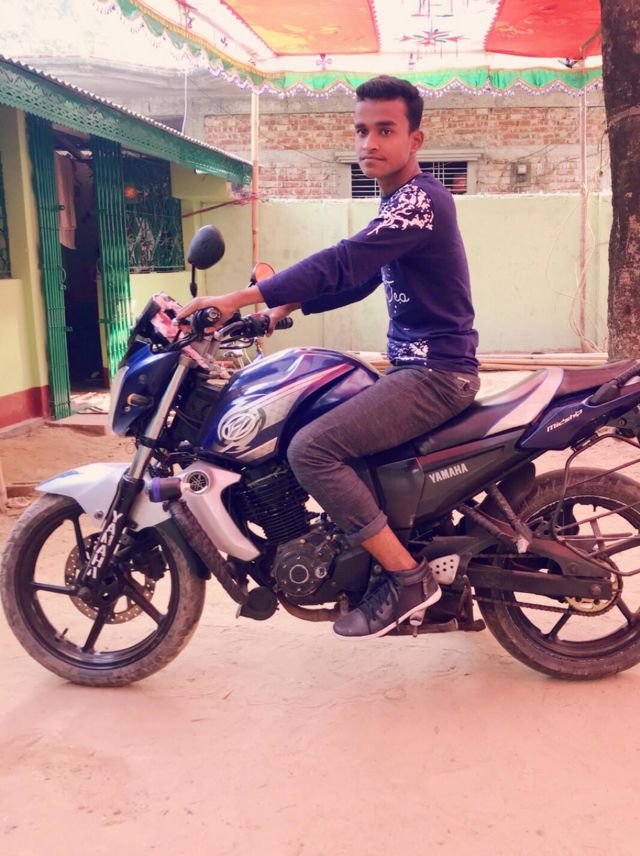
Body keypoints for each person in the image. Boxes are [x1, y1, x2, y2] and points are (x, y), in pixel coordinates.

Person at [176, 75, 480, 640]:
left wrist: (239, 298)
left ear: (415, 139)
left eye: (385, 130)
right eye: (362, 130)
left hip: (437, 374)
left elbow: (344, 261)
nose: (369, 142)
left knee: (311, 449)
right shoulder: (399, 202)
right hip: (418, 367)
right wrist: (280, 307)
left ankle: (407, 580)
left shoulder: (421, 201)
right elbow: (360, 279)